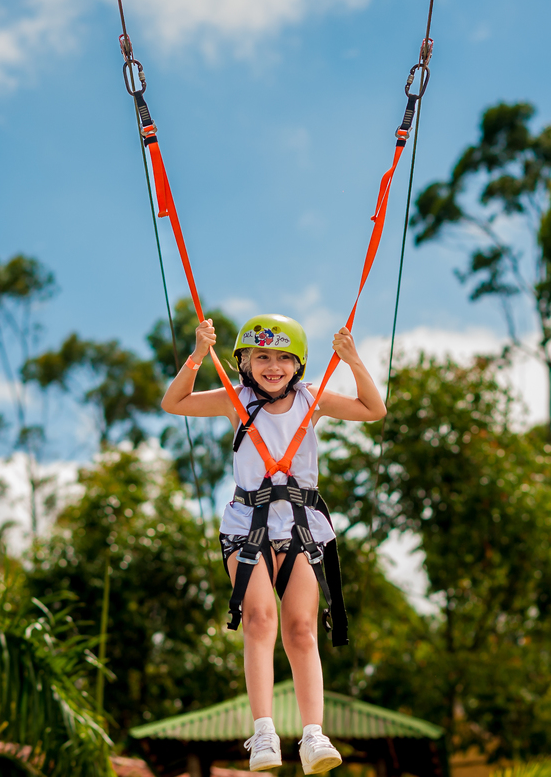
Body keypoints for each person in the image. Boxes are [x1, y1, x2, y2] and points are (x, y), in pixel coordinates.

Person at [161, 313, 386, 773]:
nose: (273, 366)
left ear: (299, 365)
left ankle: (312, 736)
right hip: (250, 525)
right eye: (262, 356)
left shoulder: (312, 400)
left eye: (284, 358)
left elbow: (373, 409)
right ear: (244, 362)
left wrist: (353, 360)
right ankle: (263, 733)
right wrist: (197, 355)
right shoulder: (234, 400)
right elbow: (174, 402)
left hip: (301, 526)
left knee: (302, 629)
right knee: (260, 620)